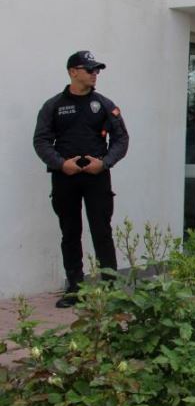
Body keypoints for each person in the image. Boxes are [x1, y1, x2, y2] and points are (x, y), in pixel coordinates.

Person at [33, 51, 129, 308]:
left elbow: (121, 139)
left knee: (102, 232)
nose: (95, 74)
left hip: (97, 177)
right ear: (73, 72)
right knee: (70, 232)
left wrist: (104, 163)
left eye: (97, 70)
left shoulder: (105, 104)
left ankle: (110, 290)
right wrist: (61, 164)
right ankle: (75, 289)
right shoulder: (53, 106)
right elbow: (41, 141)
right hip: (65, 178)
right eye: (90, 70)